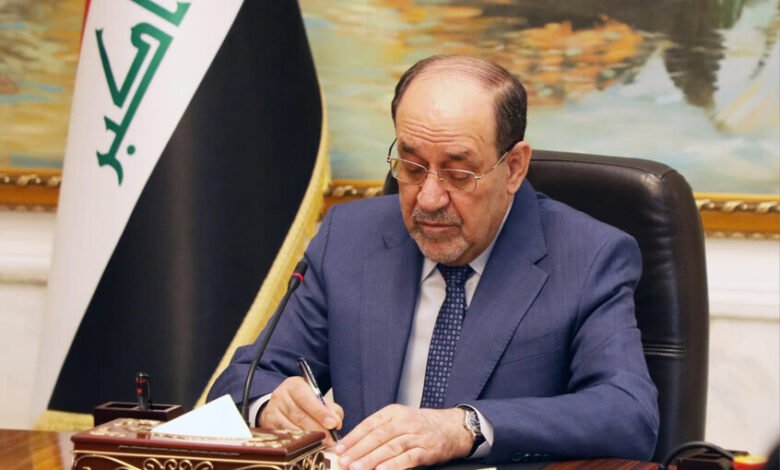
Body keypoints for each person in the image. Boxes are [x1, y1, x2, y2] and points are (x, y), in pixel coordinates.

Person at [208, 55, 659, 468]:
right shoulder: (349, 238)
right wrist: (272, 404)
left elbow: (628, 414)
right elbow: (241, 380)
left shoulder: (588, 256)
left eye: (458, 173)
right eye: (411, 167)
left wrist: (465, 427)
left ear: (514, 168)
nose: (428, 198)